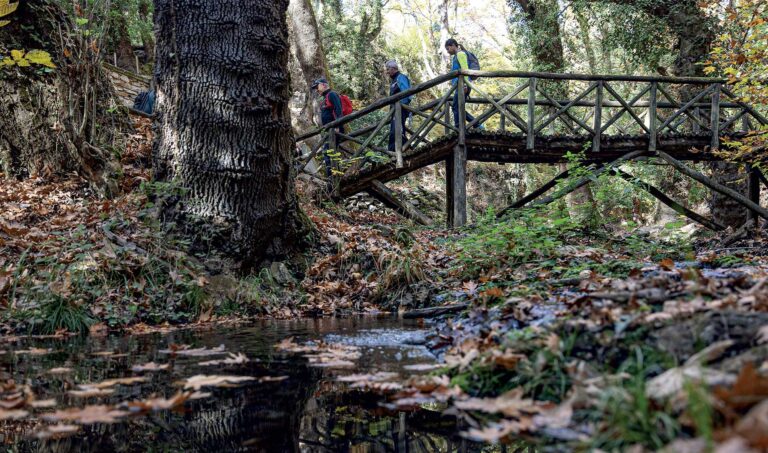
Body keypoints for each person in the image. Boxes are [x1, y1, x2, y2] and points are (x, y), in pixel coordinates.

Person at [311, 78, 344, 177]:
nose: (317, 90)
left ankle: (333, 179)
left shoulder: (332, 94)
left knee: (328, 152)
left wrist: (337, 125)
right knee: (330, 152)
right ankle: (335, 177)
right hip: (330, 131)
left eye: (317, 87)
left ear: (324, 85)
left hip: (334, 130)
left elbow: (338, 110)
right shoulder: (326, 97)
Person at [445, 38, 479, 129]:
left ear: (453, 45)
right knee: (458, 106)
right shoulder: (456, 56)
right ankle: (475, 124)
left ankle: (459, 128)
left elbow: (465, 69)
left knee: (455, 107)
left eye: (448, 49)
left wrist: (465, 85)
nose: (447, 52)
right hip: (460, 85)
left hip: (463, 85)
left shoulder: (460, 54)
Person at [385, 60, 412, 152]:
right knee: (396, 129)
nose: (387, 72)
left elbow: (407, 93)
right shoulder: (393, 81)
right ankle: (398, 150)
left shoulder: (401, 77)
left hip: (400, 108)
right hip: (395, 110)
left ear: (393, 68)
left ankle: (398, 151)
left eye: (388, 69)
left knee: (397, 129)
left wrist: (400, 105)